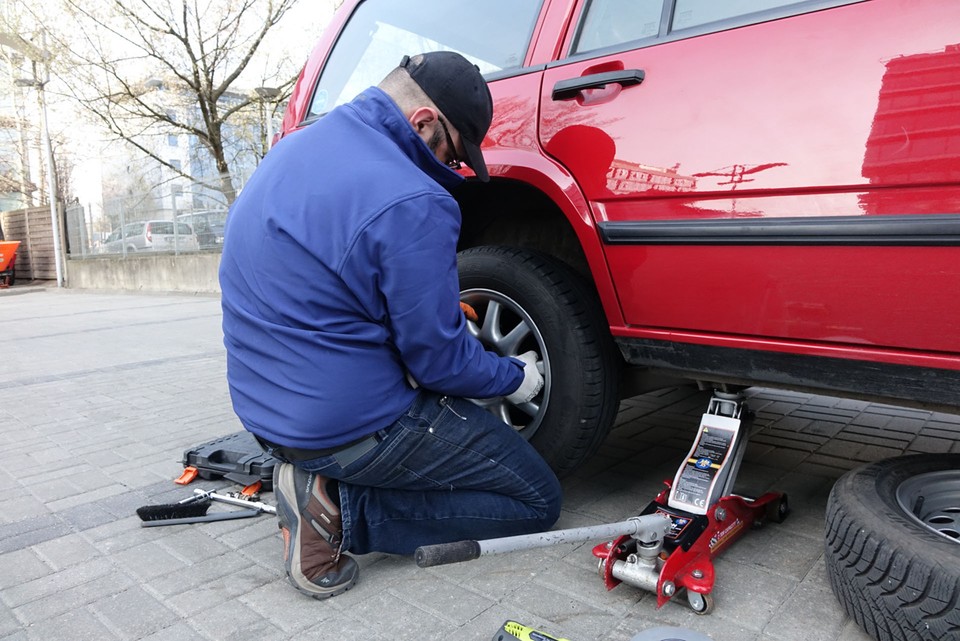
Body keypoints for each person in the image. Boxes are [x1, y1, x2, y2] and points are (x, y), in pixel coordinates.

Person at [219, 51, 562, 600]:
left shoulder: (295, 148)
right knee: (535, 500)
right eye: (452, 152)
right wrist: (510, 377)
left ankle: (318, 474)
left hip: (267, 414)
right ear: (424, 121)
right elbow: (441, 363)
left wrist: (424, 306)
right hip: (344, 428)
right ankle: (337, 513)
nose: (451, 169)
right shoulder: (415, 198)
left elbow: (327, 278)